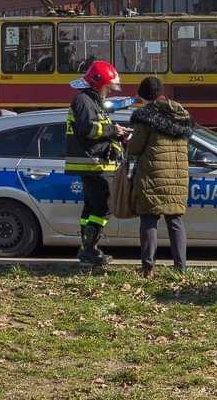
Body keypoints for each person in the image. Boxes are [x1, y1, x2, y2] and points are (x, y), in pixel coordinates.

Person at [127, 76, 194, 276]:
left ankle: (148, 267)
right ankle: (181, 268)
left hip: (153, 174)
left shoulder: (146, 116)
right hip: (178, 176)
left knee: (149, 220)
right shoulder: (181, 114)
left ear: (145, 96)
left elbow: (136, 147)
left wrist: (127, 140)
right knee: (175, 221)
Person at [66, 60, 130, 266]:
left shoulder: (91, 101)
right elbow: (88, 129)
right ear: (98, 83)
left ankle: (87, 247)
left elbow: (97, 127)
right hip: (93, 163)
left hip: (95, 162)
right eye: (107, 87)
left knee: (92, 207)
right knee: (104, 206)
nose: (109, 92)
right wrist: (113, 131)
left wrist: (116, 131)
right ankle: (89, 248)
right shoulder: (84, 101)